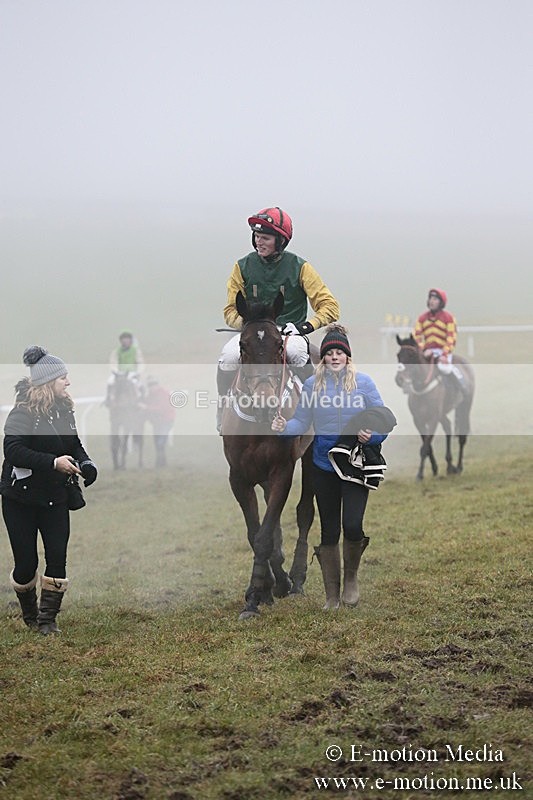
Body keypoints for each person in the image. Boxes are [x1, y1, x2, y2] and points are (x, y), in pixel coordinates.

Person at [271, 325, 389, 611]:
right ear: (323, 358)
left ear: (347, 357)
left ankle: (351, 581)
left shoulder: (364, 383)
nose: (335, 357)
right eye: (329, 353)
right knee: (328, 531)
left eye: (340, 352)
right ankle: (331, 596)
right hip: (323, 466)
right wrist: (284, 428)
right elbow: (302, 421)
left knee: (352, 524)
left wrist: (371, 435)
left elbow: (383, 418)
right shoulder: (312, 386)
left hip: (355, 465)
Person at [0, 346, 98, 635]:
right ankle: (30, 614)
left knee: (57, 555)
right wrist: (53, 462)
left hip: (55, 496)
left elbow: (74, 443)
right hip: (20, 500)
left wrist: (86, 462)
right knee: (26, 564)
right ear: (48, 382)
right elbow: (13, 450)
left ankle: (47, 621)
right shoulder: (22, 412)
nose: (67, 382)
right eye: (63, 378)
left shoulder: (64, 409)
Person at [217, 207, 340, 428]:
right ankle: (222, 407)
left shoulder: (301, 267)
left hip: (288, 334)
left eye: (265, 237)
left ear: (280, 241)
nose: (258, 242)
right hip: (253, 332)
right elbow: (229, 311)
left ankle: (315, 412)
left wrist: (304, 327)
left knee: (297, 352)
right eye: (256, 236)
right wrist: (246, 326)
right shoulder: (242, 266)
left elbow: (329, 306)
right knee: (227, 356)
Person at [413, 288, 466, 393]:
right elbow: (416, 336)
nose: (432, 301)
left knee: (445, 368)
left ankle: (461, 386)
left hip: (443, 352)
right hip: (427, 352)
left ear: (441, 303)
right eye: (430, 299)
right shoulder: (422, 318)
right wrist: (423, 350)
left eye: (435, 299)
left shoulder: (448, 318)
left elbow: (451, 337)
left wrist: (444, 354)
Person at [141, 377, 176, 468]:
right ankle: (162, 462)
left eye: (152, 386)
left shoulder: (163, 394)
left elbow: (161, 408)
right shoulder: (151, 395)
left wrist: (146, 408)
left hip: (166, 420)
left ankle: (160, 462)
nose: (151, 388)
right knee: (158, 442)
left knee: (160, 442)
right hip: (157, 422)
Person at [106, 330, 144, 405]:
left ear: (130, 341)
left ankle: (141, 399)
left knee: (138, 384)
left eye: (127, 340)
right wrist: (116, 372)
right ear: (121, 341)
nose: (125, 342)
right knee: (109, 382)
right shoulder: (116, 351)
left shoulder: (136, 351)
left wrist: (137, 372)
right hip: (119, 373)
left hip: (132, 373)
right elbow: (113, 362)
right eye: (124, 340)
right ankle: (109, 398)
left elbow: (140, 363)